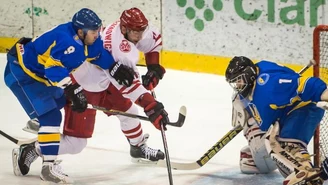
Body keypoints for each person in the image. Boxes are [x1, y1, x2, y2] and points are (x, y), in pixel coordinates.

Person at [5, 8, 135, 184]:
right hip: (22, 72)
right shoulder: (68, 43)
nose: (97, 34)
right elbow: (53, 71)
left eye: (98, 30)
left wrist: (113, 66)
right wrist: (72, 88)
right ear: (81, 32)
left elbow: (97, 55)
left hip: (39, 73)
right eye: (94, 31)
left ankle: (37, 131)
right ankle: (48, 167)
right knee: (51, 117)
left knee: (62, 101)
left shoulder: (86, 38)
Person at [23, 7, 168, 163]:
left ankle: (138, 147)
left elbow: (154, 42)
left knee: (130, 112)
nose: (140, 36)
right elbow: (128, 86)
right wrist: (150, 105)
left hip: (107, 83)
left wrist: (153, 67)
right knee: (76, 144)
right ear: (124, 28)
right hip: (83, 88)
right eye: (136, 32)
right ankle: (35, 148)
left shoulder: (133, 30)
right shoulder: (117, 47)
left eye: (142, 31)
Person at [225, 56, 328, 185]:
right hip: (285, 110)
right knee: (239, 99)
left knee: (284, 145)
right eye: (235, 82)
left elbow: (306, 85)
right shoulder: (258, 75)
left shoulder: (269, 87)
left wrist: (325, 94)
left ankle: (307, 173)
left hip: (304, 108)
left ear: (248, 75)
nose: (238, 85)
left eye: (239, 80)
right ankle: (258, 154)